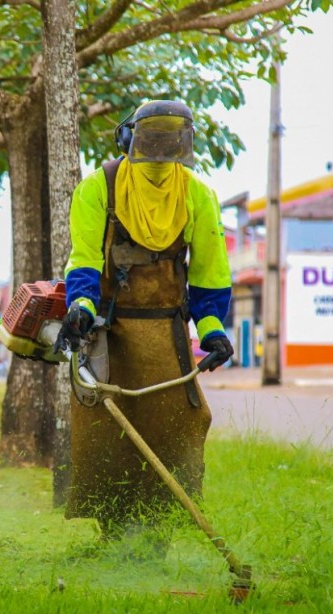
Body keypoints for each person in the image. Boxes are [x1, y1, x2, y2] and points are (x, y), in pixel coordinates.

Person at [56, 99, 234, 540]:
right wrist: (81, 308)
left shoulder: (197, 194)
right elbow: (84, 258)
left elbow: (210, 272)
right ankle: (112, 531)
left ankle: (159, 531)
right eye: (151, 139)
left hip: (167, 337)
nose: (158, 152)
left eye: (168, 141)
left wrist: (212, 331)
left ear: (183, 145)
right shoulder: (99, 187)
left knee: (178, 429)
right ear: (128, 139)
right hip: (110, 335)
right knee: (103, 433)